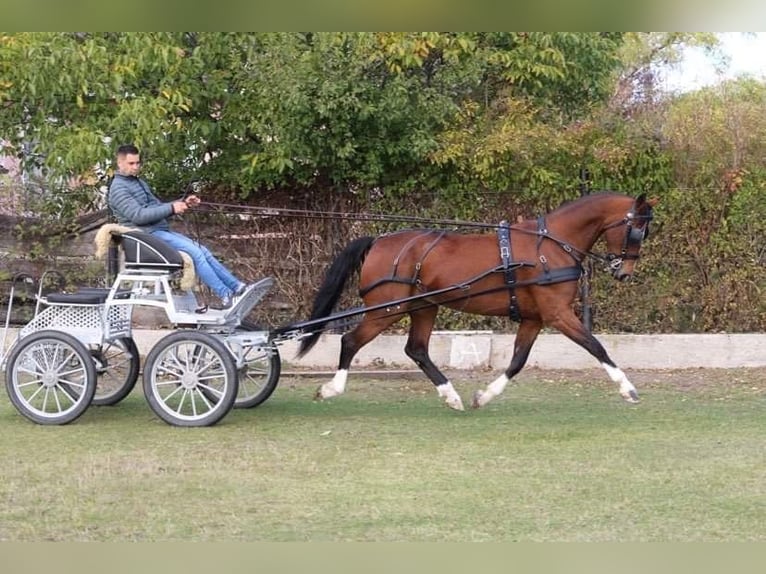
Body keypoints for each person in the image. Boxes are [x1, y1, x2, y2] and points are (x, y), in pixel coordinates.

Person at [107, 143, 252, 309]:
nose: (136, 167)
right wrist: (171, 208)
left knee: (202, 250)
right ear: (120, 163)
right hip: (145, 236)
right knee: (196, 254)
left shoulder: (137, 182)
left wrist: (182, 204)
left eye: (138, 163)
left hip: (157, 231)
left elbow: (156, 206)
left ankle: (237, 287)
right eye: (131, 164)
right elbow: (138, 216)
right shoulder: (118, 189)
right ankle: (226, 295)